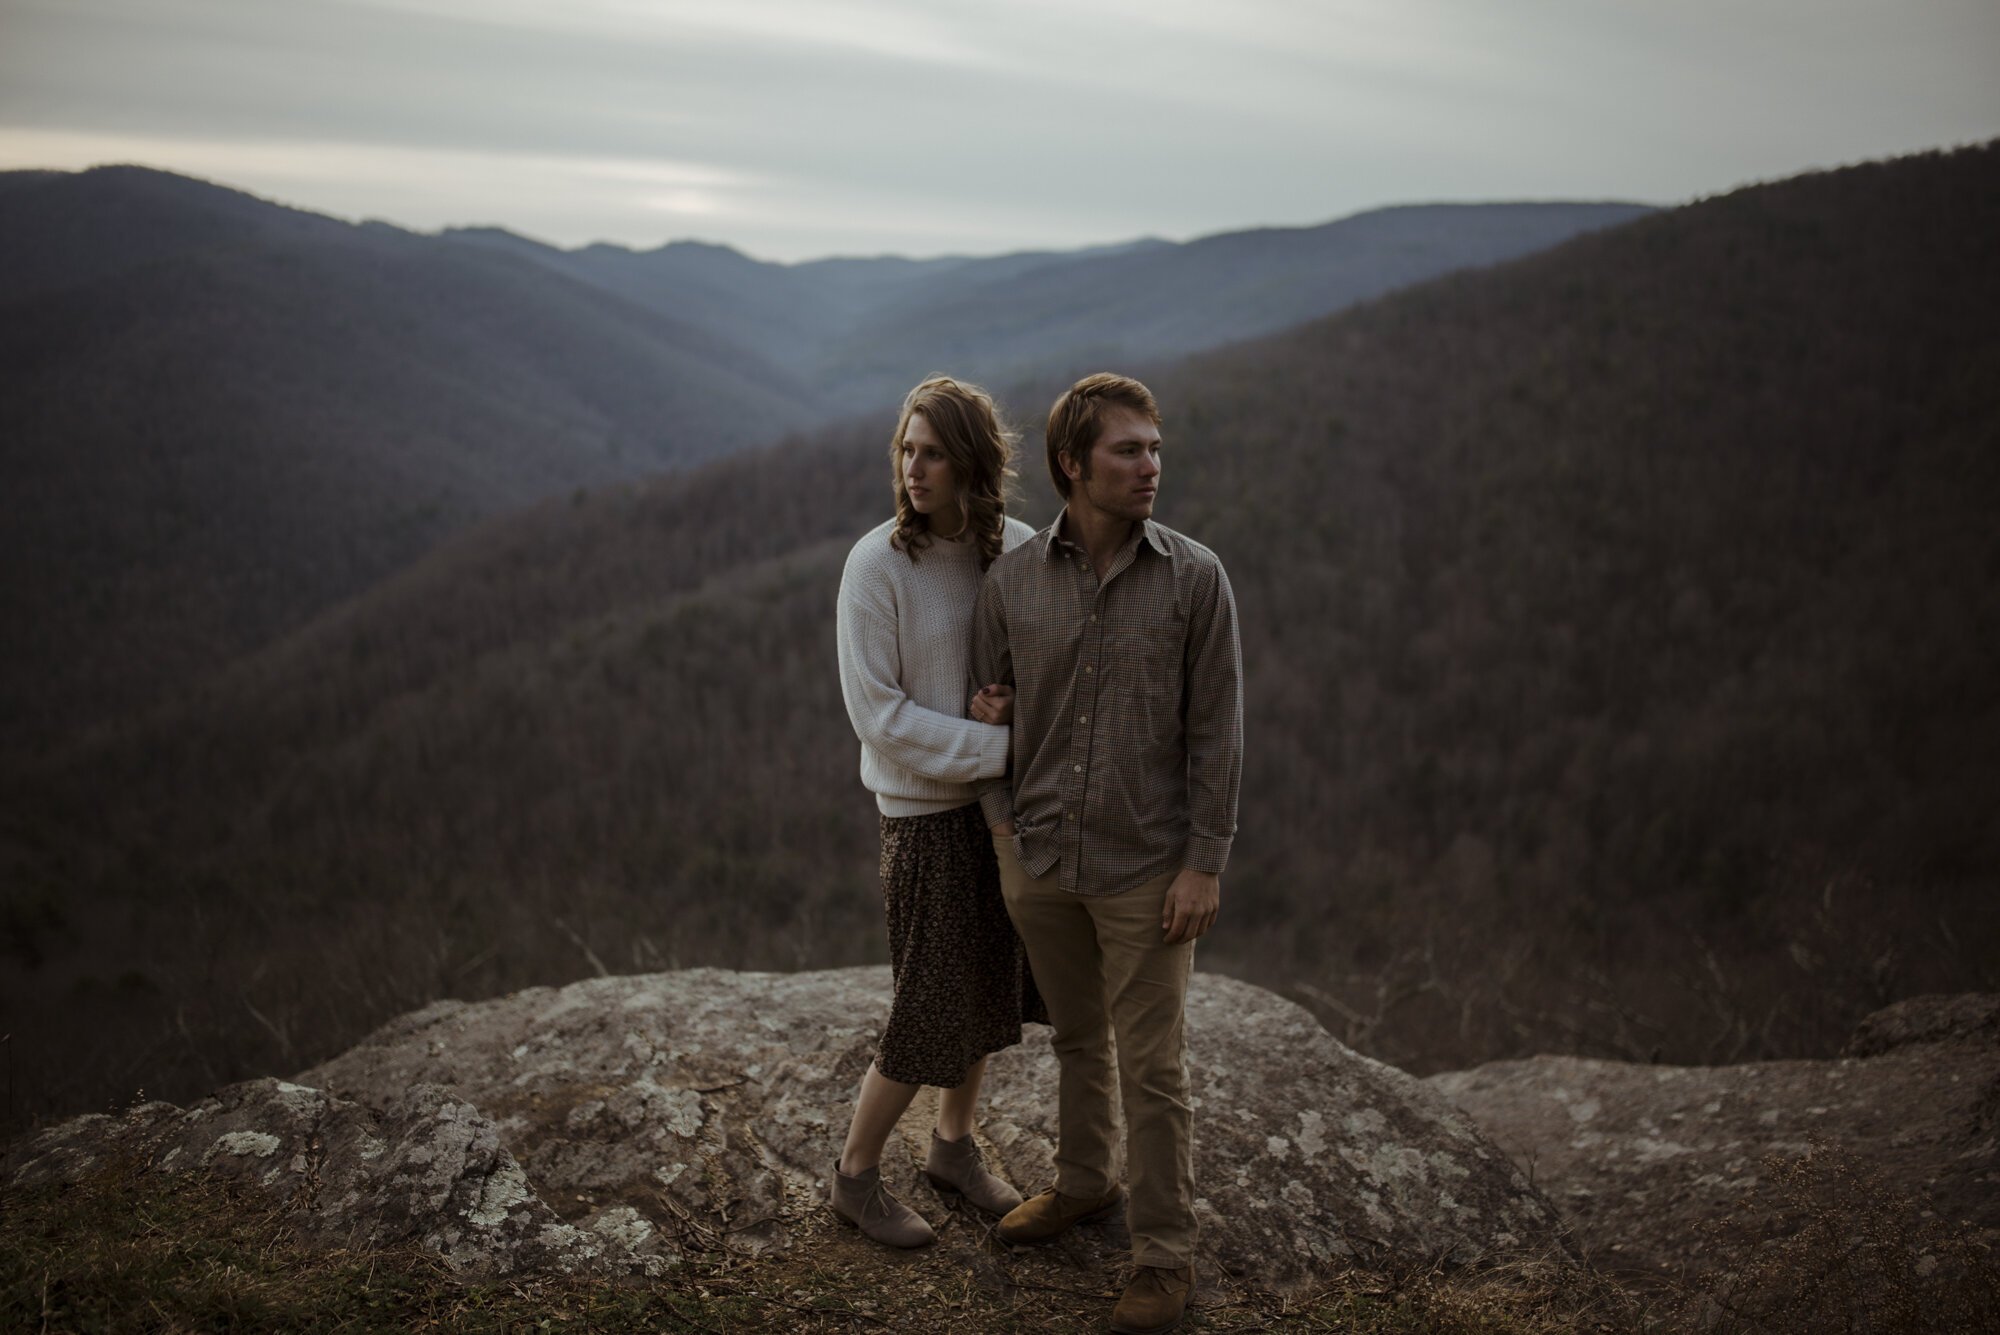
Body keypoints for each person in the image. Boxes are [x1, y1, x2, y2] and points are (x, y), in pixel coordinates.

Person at [970, 372, 1241, 1335]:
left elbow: (1216, 732)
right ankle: (1085, 1183)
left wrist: (1204, 860)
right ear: (1070, 466)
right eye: (1129, 451)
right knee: (1078, 1038)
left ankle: (1164, 1257)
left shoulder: (1194, 577)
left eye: (1156, 448)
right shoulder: (1011, 583)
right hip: (1040, 858)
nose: (1151, 467)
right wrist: (1004, 831)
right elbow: (986, 711)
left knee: (1153, 1068)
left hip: (1147, 870)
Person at [830, 374, 1047, 1248]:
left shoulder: (1022, 551)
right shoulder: (876, 562)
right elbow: (879, 715)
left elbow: (1055, 674)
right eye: (904, 451)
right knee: (926, 1006)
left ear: (973, 463)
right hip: (921, 819)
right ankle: (854, 1174)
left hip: (1006, 812)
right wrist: (1001, 748)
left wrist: (1022, 728)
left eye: (931, 452)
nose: (913, 468)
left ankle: (953, 1146)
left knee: (992, 988)